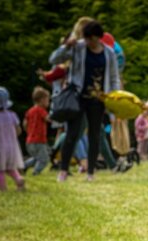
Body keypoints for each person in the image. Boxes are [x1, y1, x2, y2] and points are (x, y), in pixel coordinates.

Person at [50, 20, 121, 182]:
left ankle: (91, 172)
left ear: (99, 37)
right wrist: (66, 46)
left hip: (98, 99)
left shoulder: (109, 53)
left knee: (95, 135)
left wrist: (113, 96)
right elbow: (53, 60)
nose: (88, 42)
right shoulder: (78, 47)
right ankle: (63, 170)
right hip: (77, 97)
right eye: (86, 38)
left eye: (92, 39)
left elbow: (114, 77)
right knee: (72, 134)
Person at [0, 86, 26, 192]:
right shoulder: (12, 115)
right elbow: (19, 130)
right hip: (12, 147)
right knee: (10, 167)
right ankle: (19, 179)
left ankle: (3, 189)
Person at [23, 86, 51, 176]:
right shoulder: (41, 110)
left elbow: (24, 124)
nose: (48, 102)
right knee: (44, 159)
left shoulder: (30, 111)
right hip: (39, 140)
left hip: (29, 140)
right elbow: (49, 119)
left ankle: (23, 167)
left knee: (37, 158)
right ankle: (36, 172)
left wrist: (29, 132)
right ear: (42, 100)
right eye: (48, 100)